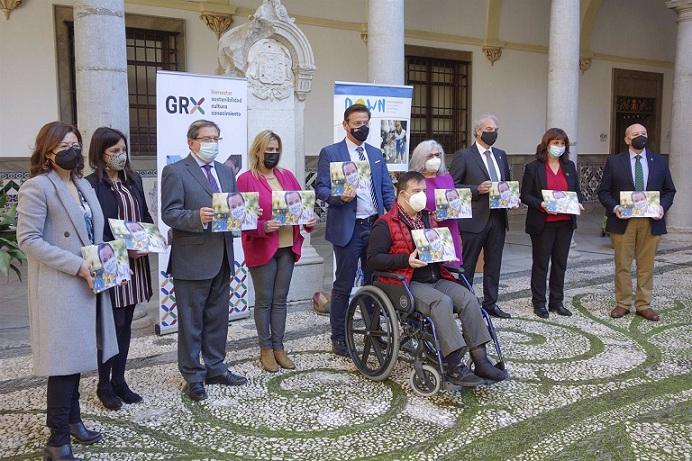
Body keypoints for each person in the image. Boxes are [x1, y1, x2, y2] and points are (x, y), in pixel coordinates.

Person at [16, 121, 118, 460]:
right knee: (63, 364)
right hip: (61, 286)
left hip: (90, 283)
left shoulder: (82, 186)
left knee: (77, 359)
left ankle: (74, 422)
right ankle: (57, 439)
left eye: (76, 144)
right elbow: (28, 240)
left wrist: (108, 261)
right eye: (65, 147)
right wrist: (77, 265)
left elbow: (93, 233)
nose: (73, 151)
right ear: (48, 152)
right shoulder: (37, 187)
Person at [367, 171, 507, 385]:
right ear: (402, 194)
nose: (422, 195)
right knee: (442, 302)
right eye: (417, 191)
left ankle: (481, 360)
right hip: (404, 280)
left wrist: (444, 249)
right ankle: (454, 365)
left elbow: (437, 248)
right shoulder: (385, 223)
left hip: (435, 275)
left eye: (424, 191)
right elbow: (374, 260)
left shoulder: (428, 217)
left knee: (468, 298)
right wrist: (405, 259)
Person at [161, 119, 247, 402]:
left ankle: (215, 367)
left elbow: (233, 207)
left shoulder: (225, 170)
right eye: (207, 138)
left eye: (216, 138)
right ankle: (193, 376)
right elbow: (170, 213)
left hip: (222, 256)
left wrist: (243, 215)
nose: (213, 143)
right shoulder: (175, 171)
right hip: (192, 259)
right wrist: (195, 217)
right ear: (191, 142)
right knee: (191, 323)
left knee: (218, 319)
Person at [316, 103, 396, 356]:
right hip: (348, 228)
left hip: (375, 226)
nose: (362, 127)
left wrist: (394, 217)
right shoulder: (331, 152)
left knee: (374, 282)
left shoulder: (374, 153)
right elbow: (321, 188)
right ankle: (339, 336)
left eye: (365, 123)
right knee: (344, 284)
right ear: (346, 125)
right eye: (357, 123)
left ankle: (374, 333)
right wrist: (339, 197)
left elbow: (385, 188)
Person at [86, 126, 154, 410]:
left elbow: (146, 216)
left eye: (123, 150)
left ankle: (120, 380)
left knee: (126, 324)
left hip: (136, 265)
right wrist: (120, 250)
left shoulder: (134, 180)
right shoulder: (90, 186)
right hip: (111, 262)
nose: (121, 156)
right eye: (114, 151)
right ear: (100, 153)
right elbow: (92, 229)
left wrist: (149, 242)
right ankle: (104, 384)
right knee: (110, 325)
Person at [237, 130, 316, 372]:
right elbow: (239, 219)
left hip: (287, 246)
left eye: (276, 150)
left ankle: (279, 347)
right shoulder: (245, 179)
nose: (273, 154)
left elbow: (301, 207)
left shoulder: (288, 176)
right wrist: (262, 226)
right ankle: (266, 349)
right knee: (264, 300)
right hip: (262, 246)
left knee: (280, 300)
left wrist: (308, 220)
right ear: (257, 151)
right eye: (268, 150)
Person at [597, 123, 676, 321]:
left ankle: (644, 304)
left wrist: (662, 207)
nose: (641, 136)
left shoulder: (658, 161)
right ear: (627, 139)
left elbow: (669, 190)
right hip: (624, 221)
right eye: (636, 134)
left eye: (644, 133)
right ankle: (622, 303)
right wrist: (615, 208)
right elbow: (603, 192)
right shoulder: (615, 162)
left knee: (646, 265)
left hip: (651, 221)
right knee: (622, 264)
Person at [449, 114, 513, 319]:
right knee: (467, 266)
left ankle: (491, 303)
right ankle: (464, 304)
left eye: (495, 130)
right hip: (474, 219)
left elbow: (507, 183)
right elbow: (453, 186)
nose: (492, 133)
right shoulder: (464, 156)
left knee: (494, 264)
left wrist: (512, 198)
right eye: (488, 129)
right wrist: (477, 189)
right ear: (478, 131)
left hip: (498, 218)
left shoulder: (501, 155)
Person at [520, 128, 584, 319]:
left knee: (560, 264)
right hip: (543, 223)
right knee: (541, 263)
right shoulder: (534, 167)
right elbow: (525, 195)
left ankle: (557, 301)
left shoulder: (569, 166)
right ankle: (539, 302)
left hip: (565, 223)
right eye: (556, 143)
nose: (559, 147)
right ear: (546, 144)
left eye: (562, 143)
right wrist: (541, 204)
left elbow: (577, 192)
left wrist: (578, 203)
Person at [410, 139, 463, 267]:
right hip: (427, 232)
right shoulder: (414, 180)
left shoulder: (447, 177)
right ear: (421, 158)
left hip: (449, 230)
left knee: (452, 271)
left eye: (437, 155)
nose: (435, 159)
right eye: (430, 156)